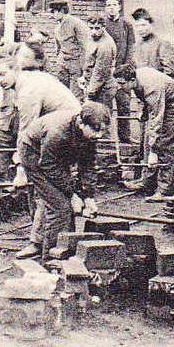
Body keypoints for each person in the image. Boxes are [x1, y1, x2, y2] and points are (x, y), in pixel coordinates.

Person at [0, 42, 81, 232]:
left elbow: (28, 127)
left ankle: (44, 233)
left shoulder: (29, 86)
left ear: (15, 68)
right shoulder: (6, 85)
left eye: (2, 73)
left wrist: (20, 168)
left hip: (41, 133)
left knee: (41, 181)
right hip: (9, 130)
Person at [17, 102, 109, 260]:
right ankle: (52, 259)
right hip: (34, 154)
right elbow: (48, 165)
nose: (99, 136)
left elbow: (88, 165)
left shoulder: (88, 134)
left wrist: (88, 197)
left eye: (103, 132)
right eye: (95, 131)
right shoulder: (57, 132)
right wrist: (73, 194)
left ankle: (62, 246)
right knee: (60, 207)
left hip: (57, 157)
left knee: (62, 202)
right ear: (81, 123)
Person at [116, 66, 174, 198]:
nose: (119, 87)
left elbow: (156, 117)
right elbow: (150, 104)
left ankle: (165, 189)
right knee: (148, 141)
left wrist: (153, 151)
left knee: (168, 146)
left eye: (122, 83)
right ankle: (147, 183)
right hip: (162, 104)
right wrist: (145, 112)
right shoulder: (138, 80)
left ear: (132, 80)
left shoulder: (152, 87)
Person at [101, 0, 136, 143]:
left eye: (114, 5)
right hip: (107, 72)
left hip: (122, 71)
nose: (111, 8)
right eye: (109, 5)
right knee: (106, 105)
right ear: (105, 8)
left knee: (124, 104)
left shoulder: (126, 25)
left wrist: (125, 67)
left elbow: (131, 46)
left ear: (119, 7)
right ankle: (106, 136)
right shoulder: (102, 25)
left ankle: (125, 137)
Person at [48, 1, 91, 97]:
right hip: (63, 64)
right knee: (63, 93)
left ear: (61, 11)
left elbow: (85, 46)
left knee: (76, 94)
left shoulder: (76, 23)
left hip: (76, 63)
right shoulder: (57, 27)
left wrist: (84, 67)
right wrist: (58, 61)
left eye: (53, 12)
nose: (52, 15)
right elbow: (58, 47)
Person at [80, 13, 118, 106]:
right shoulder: (93, 38)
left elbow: (100, 72)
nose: (93, 31)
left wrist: (90, 93)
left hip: (103, 88)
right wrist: (84, 76)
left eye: (97, 28)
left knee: (100, 116)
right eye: (91, 28)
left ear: (103, 27)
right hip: (93, 84)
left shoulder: (105, 45)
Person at [130, 8, 174, 78]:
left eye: (143, 25)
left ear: (151, 25)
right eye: (137, 26)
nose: (140, 29)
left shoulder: (163, 44)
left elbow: (170, 72)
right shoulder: (136, 46)